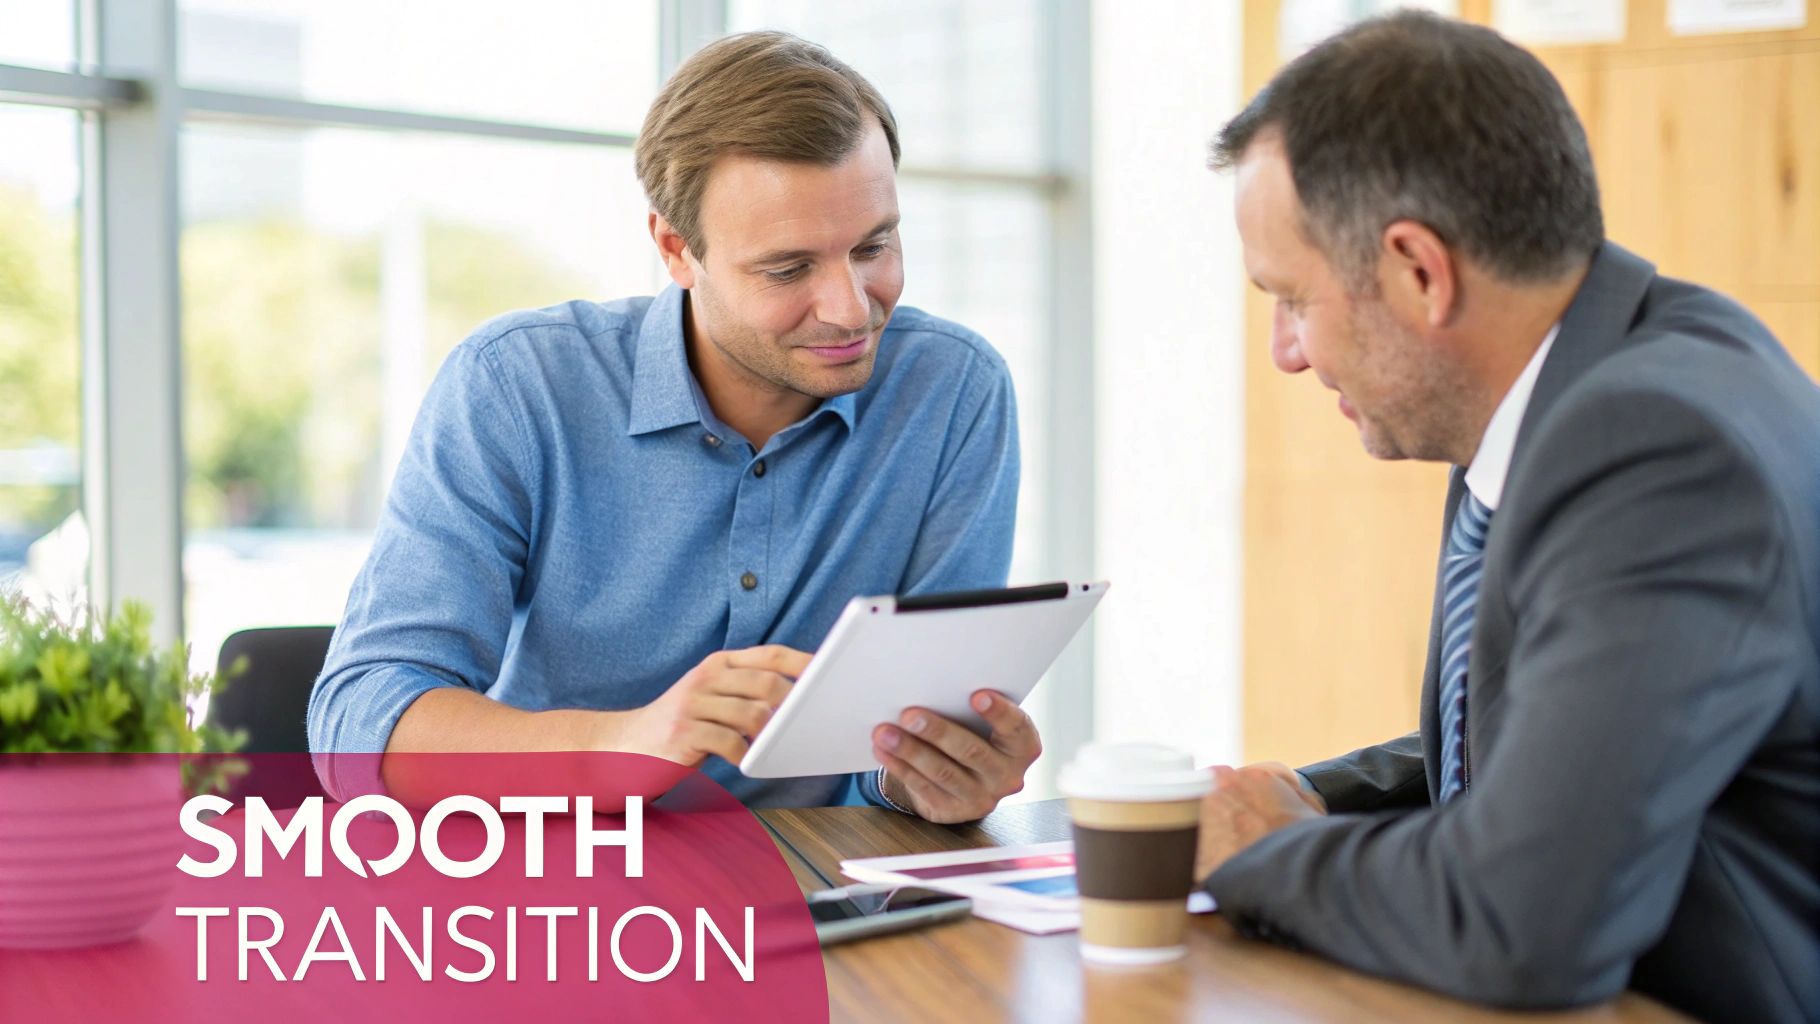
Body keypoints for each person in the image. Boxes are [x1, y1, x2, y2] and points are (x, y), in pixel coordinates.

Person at [1194, 12, 1820, 1023]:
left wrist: (1263, 851)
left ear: (1416, 273)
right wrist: (1292, 799)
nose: (1286, 352)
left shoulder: (1656, 447)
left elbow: (1523, 922)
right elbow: (1549, 730)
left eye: (1291, 299)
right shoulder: (1599, 373)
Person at [307, 32, 1042, 823]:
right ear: (675, 248)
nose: (851, 307)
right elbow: (359, 722)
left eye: (875, 245)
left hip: (825, 892)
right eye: (789, 269)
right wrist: (625, 744)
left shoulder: (955, 391)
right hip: (564, 875)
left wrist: (933, 772)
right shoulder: (518, 388)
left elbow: (899, 740)